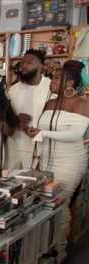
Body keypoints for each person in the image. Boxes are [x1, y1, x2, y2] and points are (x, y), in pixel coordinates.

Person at [26, 61, 89, 237]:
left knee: (59, 201)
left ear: (69, 83)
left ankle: (59, 251)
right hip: (46, 159)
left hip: (70, 161)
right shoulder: (50, 103)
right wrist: (34, 132)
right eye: (52, 77)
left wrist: (43, 133)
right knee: (45, 203)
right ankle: (46, 248)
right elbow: (43, 130)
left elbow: (75, 135)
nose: (52, 81)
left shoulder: (82, 103)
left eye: (57, 78)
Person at [7, 49, 52, 170]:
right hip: (15, 146)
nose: (24, 66)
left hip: (42, 147)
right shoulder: (13, 89)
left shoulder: (51, 87)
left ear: (42, 66)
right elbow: (6, 115)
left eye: (30, 62)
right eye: (23, 62)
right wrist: (16, 121)